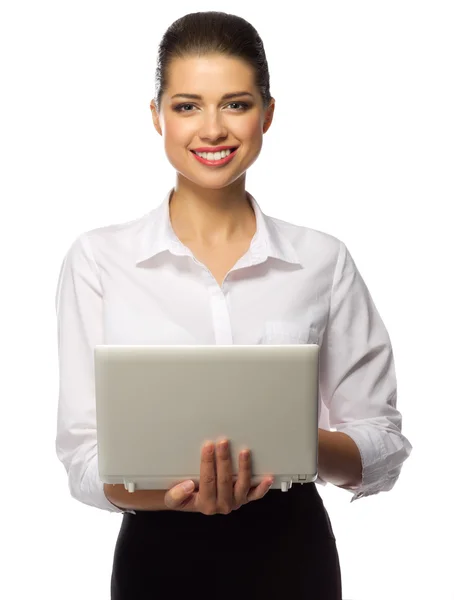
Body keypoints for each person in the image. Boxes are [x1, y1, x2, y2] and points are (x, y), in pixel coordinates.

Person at [55, 11, 412, 600]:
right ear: (157, 116)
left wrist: (291, 438)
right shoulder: (99, 259)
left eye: (237, 104)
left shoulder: (322, 259)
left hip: (291, 552)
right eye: (188, 105)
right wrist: (167, 496)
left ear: (268, 114)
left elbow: (380, 443)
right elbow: (85, 461)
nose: (212, 129)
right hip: (157, 554)